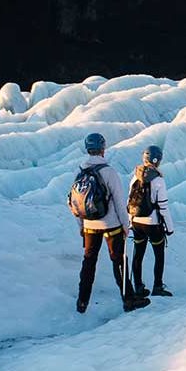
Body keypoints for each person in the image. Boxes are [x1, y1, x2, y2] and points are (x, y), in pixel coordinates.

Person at [73, 132, 147, 314]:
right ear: (102, 149)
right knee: (119, 261)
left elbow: (76, 202)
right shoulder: (109, 172)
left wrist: (81, 226)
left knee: (89, 261)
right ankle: (128, 300)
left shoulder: (80, 171)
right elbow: (120, 202)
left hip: (90, 225)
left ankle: (82, 302)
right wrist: (125, 225)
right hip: (111, 224)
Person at [128, 145, 175, 297]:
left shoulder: (135, 176)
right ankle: (157, 287)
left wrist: (130, 222)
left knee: (138, 254)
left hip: (136, 222)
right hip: (152, 223)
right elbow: (163, 206)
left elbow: (130, 201)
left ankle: (138, 287)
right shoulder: (158, 179)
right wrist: (169, 227)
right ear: (157, 161)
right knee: (159, 255)